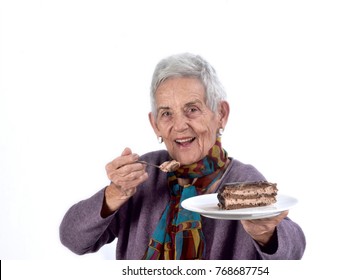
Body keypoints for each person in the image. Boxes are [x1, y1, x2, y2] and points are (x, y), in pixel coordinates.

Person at [59, 53, 306, 260]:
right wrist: (113, 194)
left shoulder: (242, 179)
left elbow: (294, 249)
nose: (179, 126)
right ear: (154, 124)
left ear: (221, 114)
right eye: (166, 113)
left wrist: (266, 235)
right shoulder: (144, 175)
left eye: (192, 109)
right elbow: (73, 239)